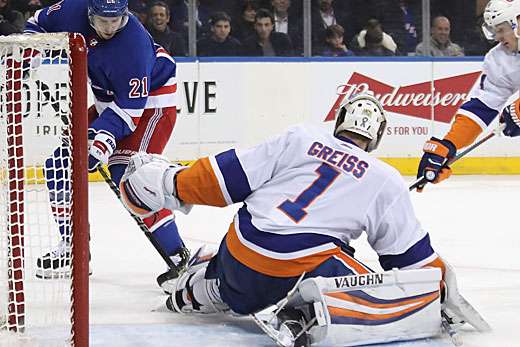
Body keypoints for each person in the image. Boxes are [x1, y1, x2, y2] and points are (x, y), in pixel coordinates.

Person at [119, 93, 490, 346]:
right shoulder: (384, 178)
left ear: (340, 122)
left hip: (240, 254)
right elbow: (408, 259)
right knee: (374, 285)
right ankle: (305, 312)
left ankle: (204, 287)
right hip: (297, 272)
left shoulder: (300, 137)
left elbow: (225, 179)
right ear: (376, 137)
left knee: (251, 242)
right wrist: (438, 285)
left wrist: (170, 183)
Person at [24, 0, 189, 289]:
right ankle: (75, 251)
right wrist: (28, 52)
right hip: (110, 103)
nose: (110, 28)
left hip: (151, 104)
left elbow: (129, 111)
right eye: (103, 21)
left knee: (129, 175)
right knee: (59, 166)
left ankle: (179, 258)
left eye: (116, 20)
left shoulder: (133, 46)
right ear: (89, 14)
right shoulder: (70, 10)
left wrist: (99, 142)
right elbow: (37, 23)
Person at [416, 0, 520, 191]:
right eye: (495, 31)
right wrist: (448, 145)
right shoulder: (500, 60)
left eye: (501, 29)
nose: (498, 37)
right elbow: (482, 108)